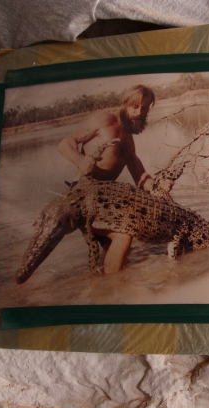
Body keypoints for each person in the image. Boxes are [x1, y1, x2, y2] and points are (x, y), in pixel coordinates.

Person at [57, 85, 173, 273]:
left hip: (104, 199)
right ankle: (112, 285)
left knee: (118, 250)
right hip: (83, 196)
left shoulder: (128, 141)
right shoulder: (103, 120)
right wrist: (80, 160)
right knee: (123, 235)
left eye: (144, 108)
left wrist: (159, 186)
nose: (139, 113)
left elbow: (140, 177)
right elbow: (65, 143)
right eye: (135, 106)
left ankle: (108, 287)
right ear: (124, 104)